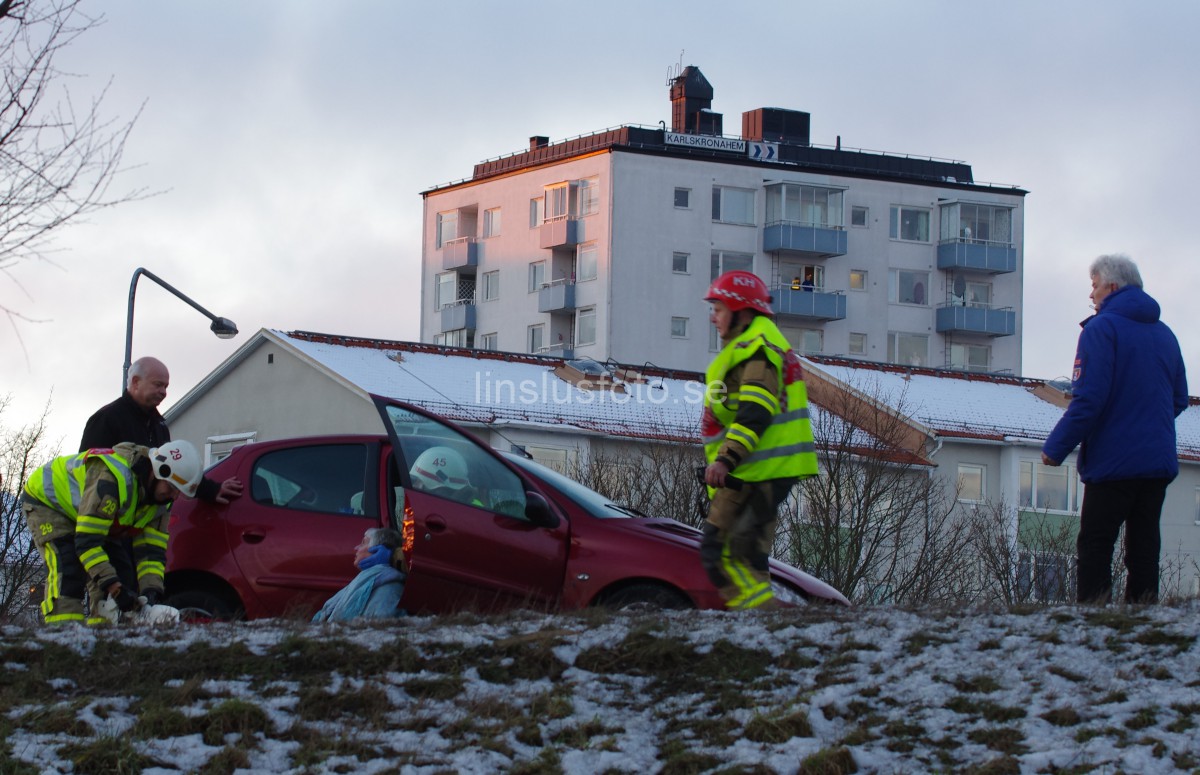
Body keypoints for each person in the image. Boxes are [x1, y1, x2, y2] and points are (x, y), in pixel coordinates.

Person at [1042, 254, 1188, 604]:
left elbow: (1089, 399)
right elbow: (1179, 399)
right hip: (1156, 461)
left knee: (1096, 542)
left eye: (1093, 286)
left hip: (1113, 461)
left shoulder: (1101, 329)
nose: (1090, 296)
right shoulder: (1165, 334)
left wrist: (1055, 448)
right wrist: (1146, 425)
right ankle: (1143, 617)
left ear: (1112, 286)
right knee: (1144, 546)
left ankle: (1094, 618)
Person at [699, 270, 819, 609]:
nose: (713, 317)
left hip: (757, 469)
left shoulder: (757, 351)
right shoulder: (757, 346)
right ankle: (760, 618)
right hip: (753, 470)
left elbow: (756, 413)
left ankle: (759, 618)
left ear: (742, 311)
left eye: (719, 309)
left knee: (727, 550)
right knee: (739, 551)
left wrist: (725, 459)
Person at [22, 440, 203, 625]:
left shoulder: (160, 504)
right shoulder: (112, 479)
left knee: (118, 572)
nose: (173, 496)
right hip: (48, 503)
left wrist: (151, 592)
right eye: (172, 487)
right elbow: (87, 544)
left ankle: (102, 635)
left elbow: (152, 553)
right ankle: (62, 636)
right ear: (158, 472)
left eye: (179, 492)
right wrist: (115, 589)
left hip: (91, 517)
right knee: (68, 568)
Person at [80, 356, 243, 505]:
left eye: (165, 386)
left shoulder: (159, 425)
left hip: (137, 523)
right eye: (158, 385)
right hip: (104, 517)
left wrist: (212, 490)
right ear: (136, 382)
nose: (164, 392)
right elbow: (86, 473)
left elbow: (172, 470)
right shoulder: (106, 419)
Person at [312, 528, 407, 622]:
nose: (356, 548)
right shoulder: (366, 579)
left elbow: (379, 626)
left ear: (376, 550)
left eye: (363, 543)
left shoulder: (389, 588)